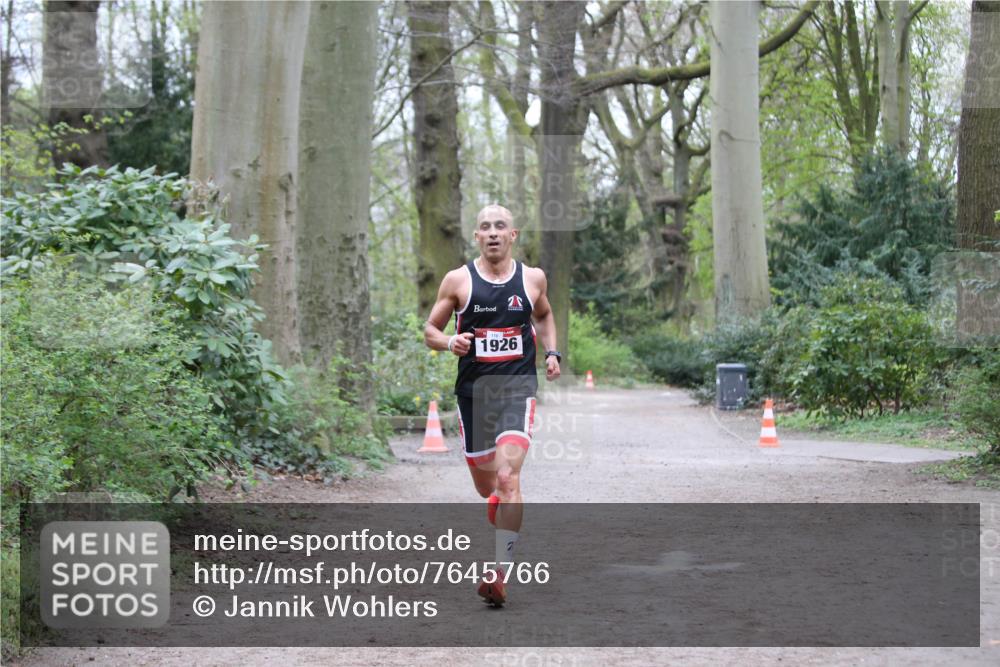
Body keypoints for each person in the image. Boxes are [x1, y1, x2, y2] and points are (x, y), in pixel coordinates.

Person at [424, 204, 561, 606]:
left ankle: (499, 573)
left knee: (507, 476)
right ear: (477, 236)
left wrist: (552, 352)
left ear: (513, 234)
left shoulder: (532, 279)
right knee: (487, 487)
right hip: (473, 396)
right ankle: (499, 499)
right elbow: (430, 329)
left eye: (501, 226)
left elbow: (546, 315)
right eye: (486, 227)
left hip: (518, 389)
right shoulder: (458, 281)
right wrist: (450, 341)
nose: (494, 233)